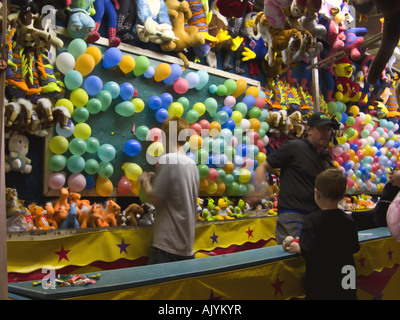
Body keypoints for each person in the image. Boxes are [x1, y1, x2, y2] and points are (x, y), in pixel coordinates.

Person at [255, 111, 340, 244]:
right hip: (293, 217)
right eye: (321, 128)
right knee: (292, 261)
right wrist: (258, 191)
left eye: (328, 129)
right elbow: (263, 166)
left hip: (317, 217)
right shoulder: (294, 147)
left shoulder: (325, 156)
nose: (326, 133)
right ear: (309, 130)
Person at [288, 168, 360, 300]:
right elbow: (354, 247)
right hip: (347, 281)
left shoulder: (312, 220)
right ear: (343, 194)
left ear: (317, 193)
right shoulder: (348, 220)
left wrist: (298, 248)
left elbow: (309, 251)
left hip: (323, 284)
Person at [138, 116, 200, 264]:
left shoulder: (168, 160)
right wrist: (158, 177)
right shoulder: (192, 165)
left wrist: (145, 180)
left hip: (167, 248)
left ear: (166, 136)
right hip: (186, 246)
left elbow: (154, 199)